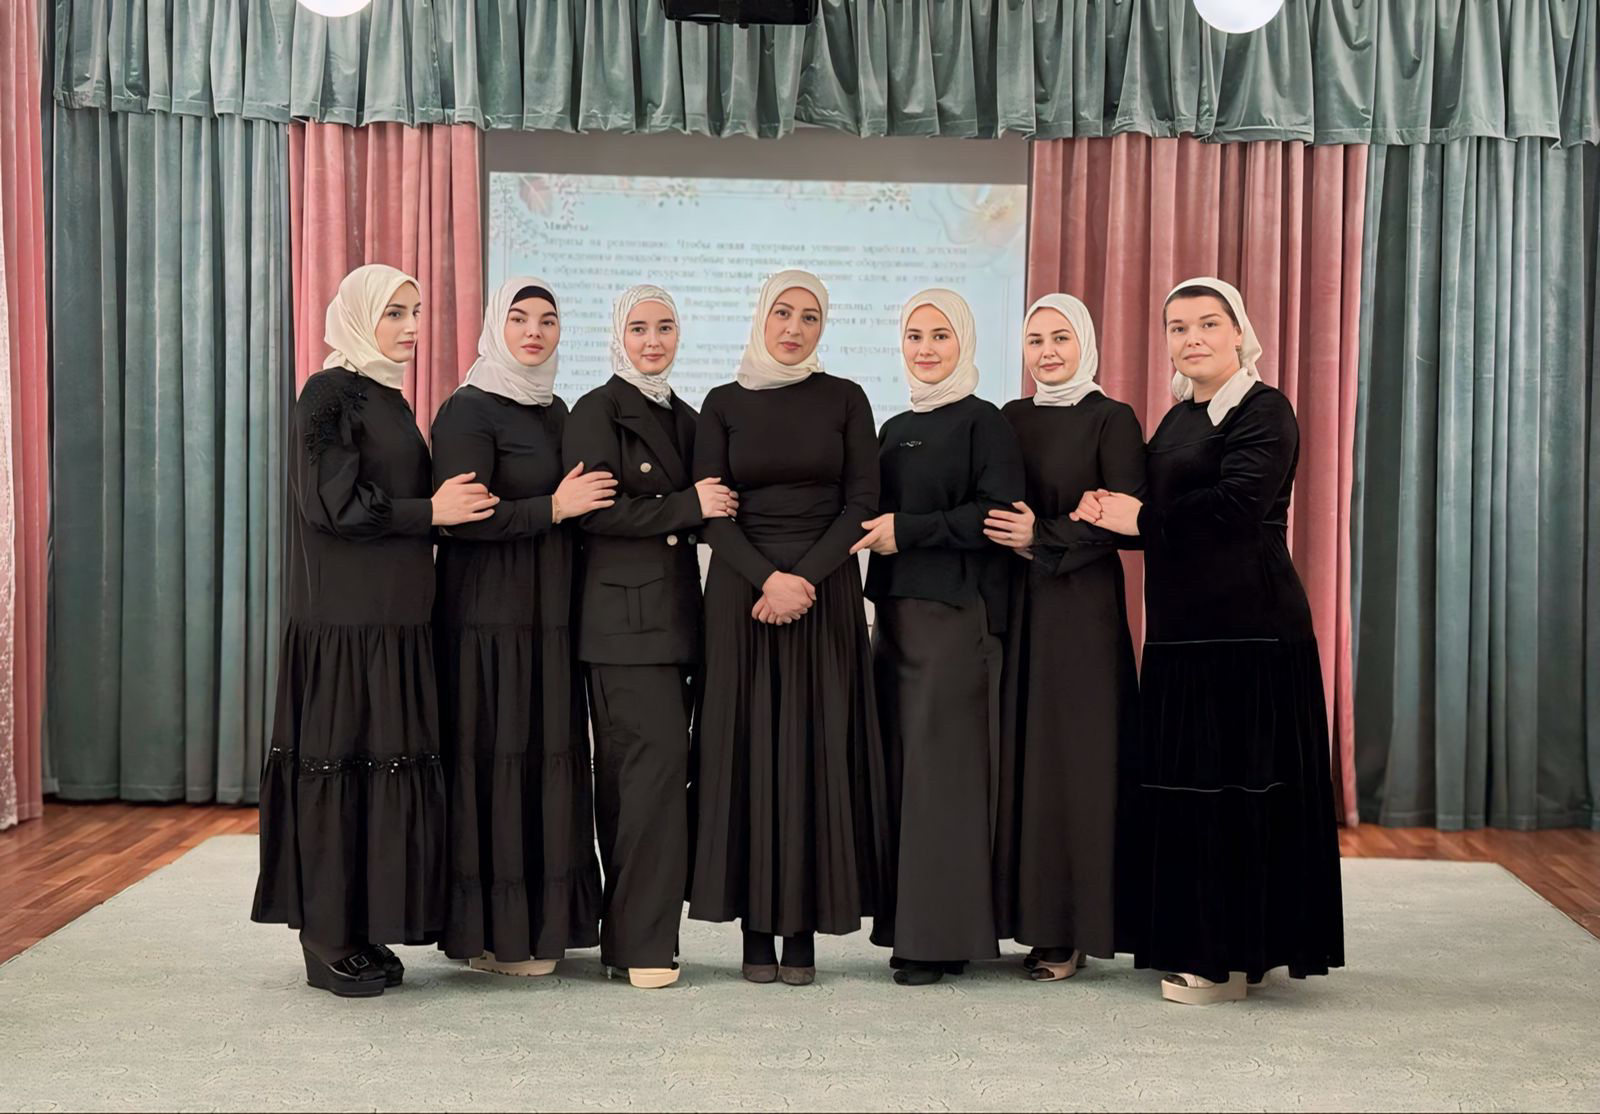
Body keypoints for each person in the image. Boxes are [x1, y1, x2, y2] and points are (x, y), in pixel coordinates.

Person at [1073, 277, 1344, 1004]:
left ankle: (1227, 960)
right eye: (1178, 327)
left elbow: (1234, 509)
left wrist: (1138, 519)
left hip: (1249, 631)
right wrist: (1109, 513)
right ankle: (1206, 941)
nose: (1191, 338)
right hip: (1179, 632)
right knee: (1189, 793)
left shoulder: (1265, 409)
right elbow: (1163, 522)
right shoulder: (1177, 419)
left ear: (1239, 332)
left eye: (1208, 323)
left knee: (1233, 794)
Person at [254, 264, 495, 997]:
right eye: (395, 312)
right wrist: (432, 512)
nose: (412, 326)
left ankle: (359, 926)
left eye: (416, 311)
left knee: (376, 774)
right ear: (360, 316)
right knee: (339, 771)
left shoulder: (388, 396)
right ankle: (326, 938)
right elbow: (332, 505)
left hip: (395, 622)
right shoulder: (328, 393)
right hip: (345, 623)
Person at [688, 269, 891, 986]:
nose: (795, 328)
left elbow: (862, 500)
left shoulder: (847, 397)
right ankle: (754, 927)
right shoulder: (721, 402)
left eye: (810, 317)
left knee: (814, 750)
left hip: (823, 590)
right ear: (761, 317)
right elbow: (710, 511)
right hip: (743, 592)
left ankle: (802, 928)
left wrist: (801, 579)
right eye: (783, 312)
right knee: (745, 751)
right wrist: (768, 579)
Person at [431, 277, 614, 977]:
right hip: (487, 620)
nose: (534, 331)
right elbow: (464, 518)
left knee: (547, 759)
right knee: (496, 759)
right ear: (495, 327)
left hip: (548, 617)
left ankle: (543, 928)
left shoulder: (555, 408)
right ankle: (491, 938)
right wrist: (554, 509)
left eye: (547, 320)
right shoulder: (467, 409)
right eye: (518, 318)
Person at [563, 284, 738, 989]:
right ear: (619, 335)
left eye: (665, 327)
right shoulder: (596, 409)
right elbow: (594, 513)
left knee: (649, 782)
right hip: (622, 630)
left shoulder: (688, 416)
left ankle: (632, 938)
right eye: (639, 328)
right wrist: (685, 505)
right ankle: (642, 945)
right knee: (647, 779)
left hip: (677, 625)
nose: (653, 340)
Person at [857, 289, 1024, 986]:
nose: (926, 349)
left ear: (964, 343)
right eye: (915, 336)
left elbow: (996, 514)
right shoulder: (894, 427)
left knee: (942, 780)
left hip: (957, 618)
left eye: (940, 336)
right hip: (896, 620)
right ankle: (915, 930)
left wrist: (910, 530)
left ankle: (938, 937)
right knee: (904, 776)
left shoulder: (985, 422)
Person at [986, 293, 1145, 983]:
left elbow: (1128, 521)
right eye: (1035, 340)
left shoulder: (1112, 418)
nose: (1047, 352)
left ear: (1085, 343)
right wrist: (1048, 528)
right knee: (1022, 762)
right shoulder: (1009, 417)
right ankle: (1022, 920)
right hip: (1017, 606)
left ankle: (1071, 930)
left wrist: (1043, 533)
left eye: (1060, 338)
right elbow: (995, 506)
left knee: (1074, 765)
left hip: (1081, 614)